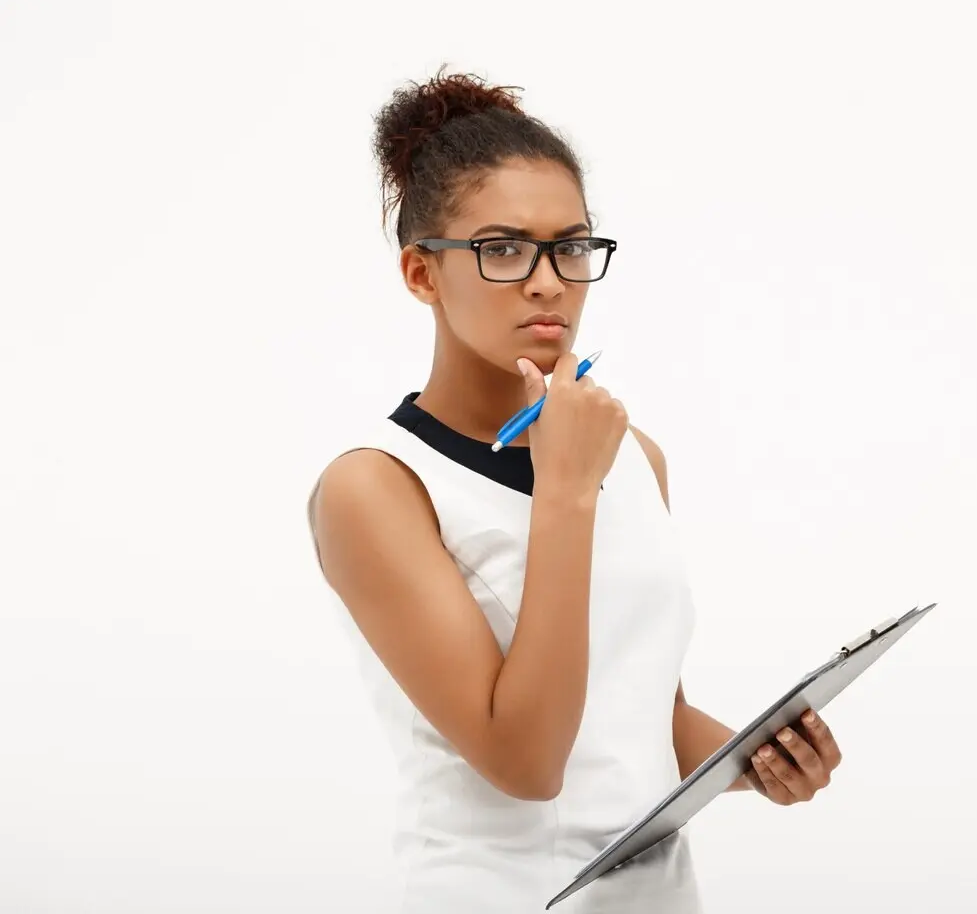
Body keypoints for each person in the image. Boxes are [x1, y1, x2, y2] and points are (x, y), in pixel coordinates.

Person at [307, 68, 844, 913]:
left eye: (572, 245)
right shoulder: (375, 488)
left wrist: (759, 759)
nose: (551, 281)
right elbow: (526, 763)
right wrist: (563, 489)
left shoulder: (634, 458)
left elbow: (637, 720)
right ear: (421, 274)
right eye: (504, 248)